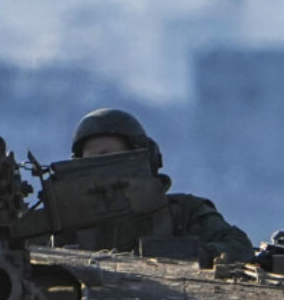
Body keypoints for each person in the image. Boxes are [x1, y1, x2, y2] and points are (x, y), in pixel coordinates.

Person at [69, 108, 255, 263]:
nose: (100, 171)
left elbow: (238, 247)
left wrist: (182, 254)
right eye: (90, 163)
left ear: (143, 159)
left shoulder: (184, 212)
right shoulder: (67, 224)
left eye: (109, 158)